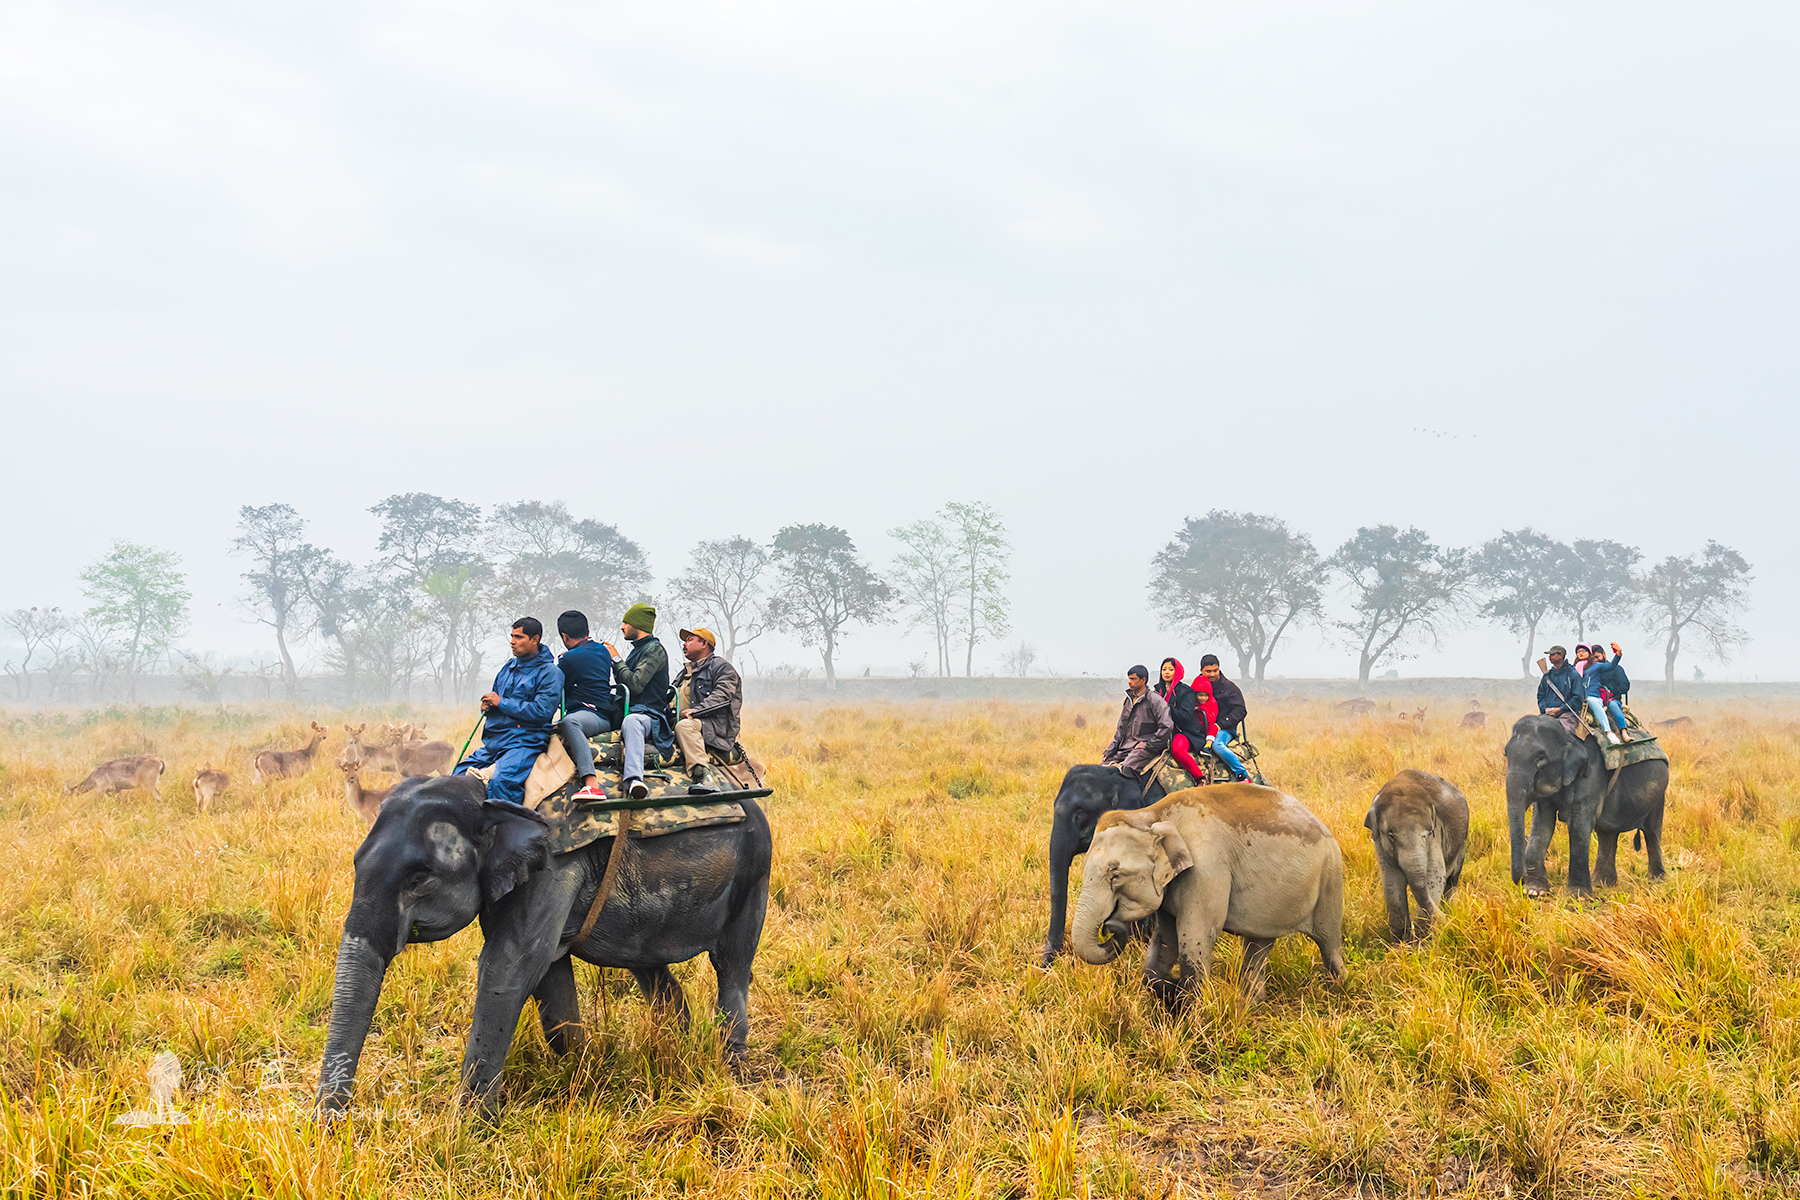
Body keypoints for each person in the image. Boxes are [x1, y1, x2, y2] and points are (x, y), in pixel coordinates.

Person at [453, 617, 564, 807]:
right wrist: (487, 707)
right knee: (457, 774)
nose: (512, 641)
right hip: (495, 742)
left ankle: (505, 833)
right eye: (511, 636)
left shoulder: (550, 672)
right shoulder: (508, 668)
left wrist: (501, 702)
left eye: (518, 637)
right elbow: (496, 702)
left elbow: (542, 711)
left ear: (535, 639)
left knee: (502, 782)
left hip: (525, 742)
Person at [600, 603, 673, 799]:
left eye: (626, 623)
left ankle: (634, 779)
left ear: (637, 625)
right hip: (630, 710)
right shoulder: (637, 650)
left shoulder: (654, 650)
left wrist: (616, 659)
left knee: (632, 722)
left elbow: (635, 685)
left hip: (649, 715)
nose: (622, 627)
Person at [553, 610, 622, 802]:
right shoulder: (602, 650)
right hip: (605, 713)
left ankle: (591, 783)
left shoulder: (569, 659)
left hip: (591, 715)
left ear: (564, 636)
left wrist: (562, 661)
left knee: (569, 722)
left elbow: (560, 687)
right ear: (588, 630)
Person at [671, 627, 743, 784]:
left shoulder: (722, 668)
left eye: (689, 640)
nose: (684, 644)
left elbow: (722, 695)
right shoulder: (684, 673)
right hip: (689, 721)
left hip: (714, 725)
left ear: (704, 643)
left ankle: (704, 777)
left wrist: (696, 711)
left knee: (685, 727)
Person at [1102, 665, 1174, 774]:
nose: (1129, 682)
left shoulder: (1155, 701)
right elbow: (1121, 729)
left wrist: (1148, 744)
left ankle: (1135, 791)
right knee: (1102, 768)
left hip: (1145, 749)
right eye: (1129, 679)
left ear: (1143, 680)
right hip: (1126, 747)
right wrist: (1110, 750)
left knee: (1127, 768)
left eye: (1133, 679)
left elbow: (1167, 726)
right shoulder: (1128, 700)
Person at [1197, 655, 1250, 781]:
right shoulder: (1196, 687)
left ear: (1219, 669)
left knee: (1217, 745)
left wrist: (1220, 724)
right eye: (1208, 671)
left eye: (1215, 671)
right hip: (1202, 728)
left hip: (1224, 729)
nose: (1212, 674)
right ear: (1201, 671)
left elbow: (1240, 710)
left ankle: (1242, 774)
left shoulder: (1230, 688)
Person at [1156, 658, 1206, 780]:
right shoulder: (1157, 691)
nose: (1166, 672)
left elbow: (1185, 717)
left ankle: (1200, 778)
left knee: (1177, 749)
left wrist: (1165, 706)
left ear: (1177, 671)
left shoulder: (1186, 692)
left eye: (1171, 669)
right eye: (1164, 669)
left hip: (1184, 731)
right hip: (1161, 731)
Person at [1584, 642, 1633, 744]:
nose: (1596, 660)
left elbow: (1625, 686)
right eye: (1594, 658)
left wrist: (1611, 692)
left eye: (1597, 657)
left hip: (1611, 699)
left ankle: (1624, 732)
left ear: (1604, 654)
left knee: (1613, 705)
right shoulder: (1591, 671)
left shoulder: (1616, 669)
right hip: (1595, 699)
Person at [1536, 645, 1584, 735]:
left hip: (1567, 714)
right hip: (1548, 714)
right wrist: (1545, 709)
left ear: (1561, 655)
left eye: (1552, 654)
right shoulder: (1547, 676)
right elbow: (1541, 695)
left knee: (1565, 733)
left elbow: (1577, 698)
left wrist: (1560, 709)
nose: (1549, 657)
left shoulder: (1573, 674)